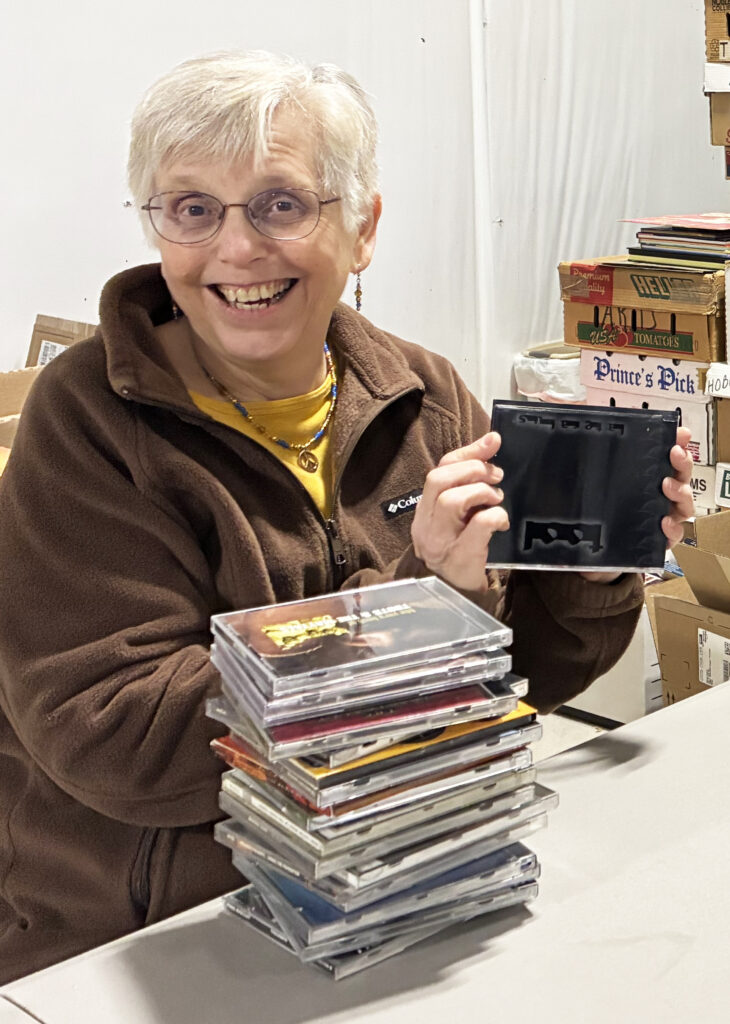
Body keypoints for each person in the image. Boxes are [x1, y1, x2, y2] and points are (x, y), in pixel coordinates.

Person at [0, 50, 693, 983]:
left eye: (281, 204)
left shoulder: (426, 393)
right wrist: (425, 607)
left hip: (411, 885)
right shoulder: (88, 421)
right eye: (192, 208)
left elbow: (524, 678)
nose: (237, 250)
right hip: (165, 939)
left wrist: (596, 562)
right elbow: (116, 736)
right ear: (155, 225)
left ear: (362, 228)